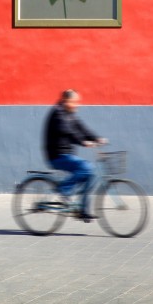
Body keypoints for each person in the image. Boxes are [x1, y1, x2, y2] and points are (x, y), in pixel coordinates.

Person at [44, 89, 107, 221]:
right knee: (86, 167)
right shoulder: (58, 113)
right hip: (57, 155)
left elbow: (82, 128)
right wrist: (82, 142)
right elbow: (67, 132)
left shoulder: (70, 113)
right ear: (66, 101)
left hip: (66, 154)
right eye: (75, 102)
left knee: (91, 174)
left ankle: (83, 210)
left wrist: (97, 138)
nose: (78, 104)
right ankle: (63, 188)